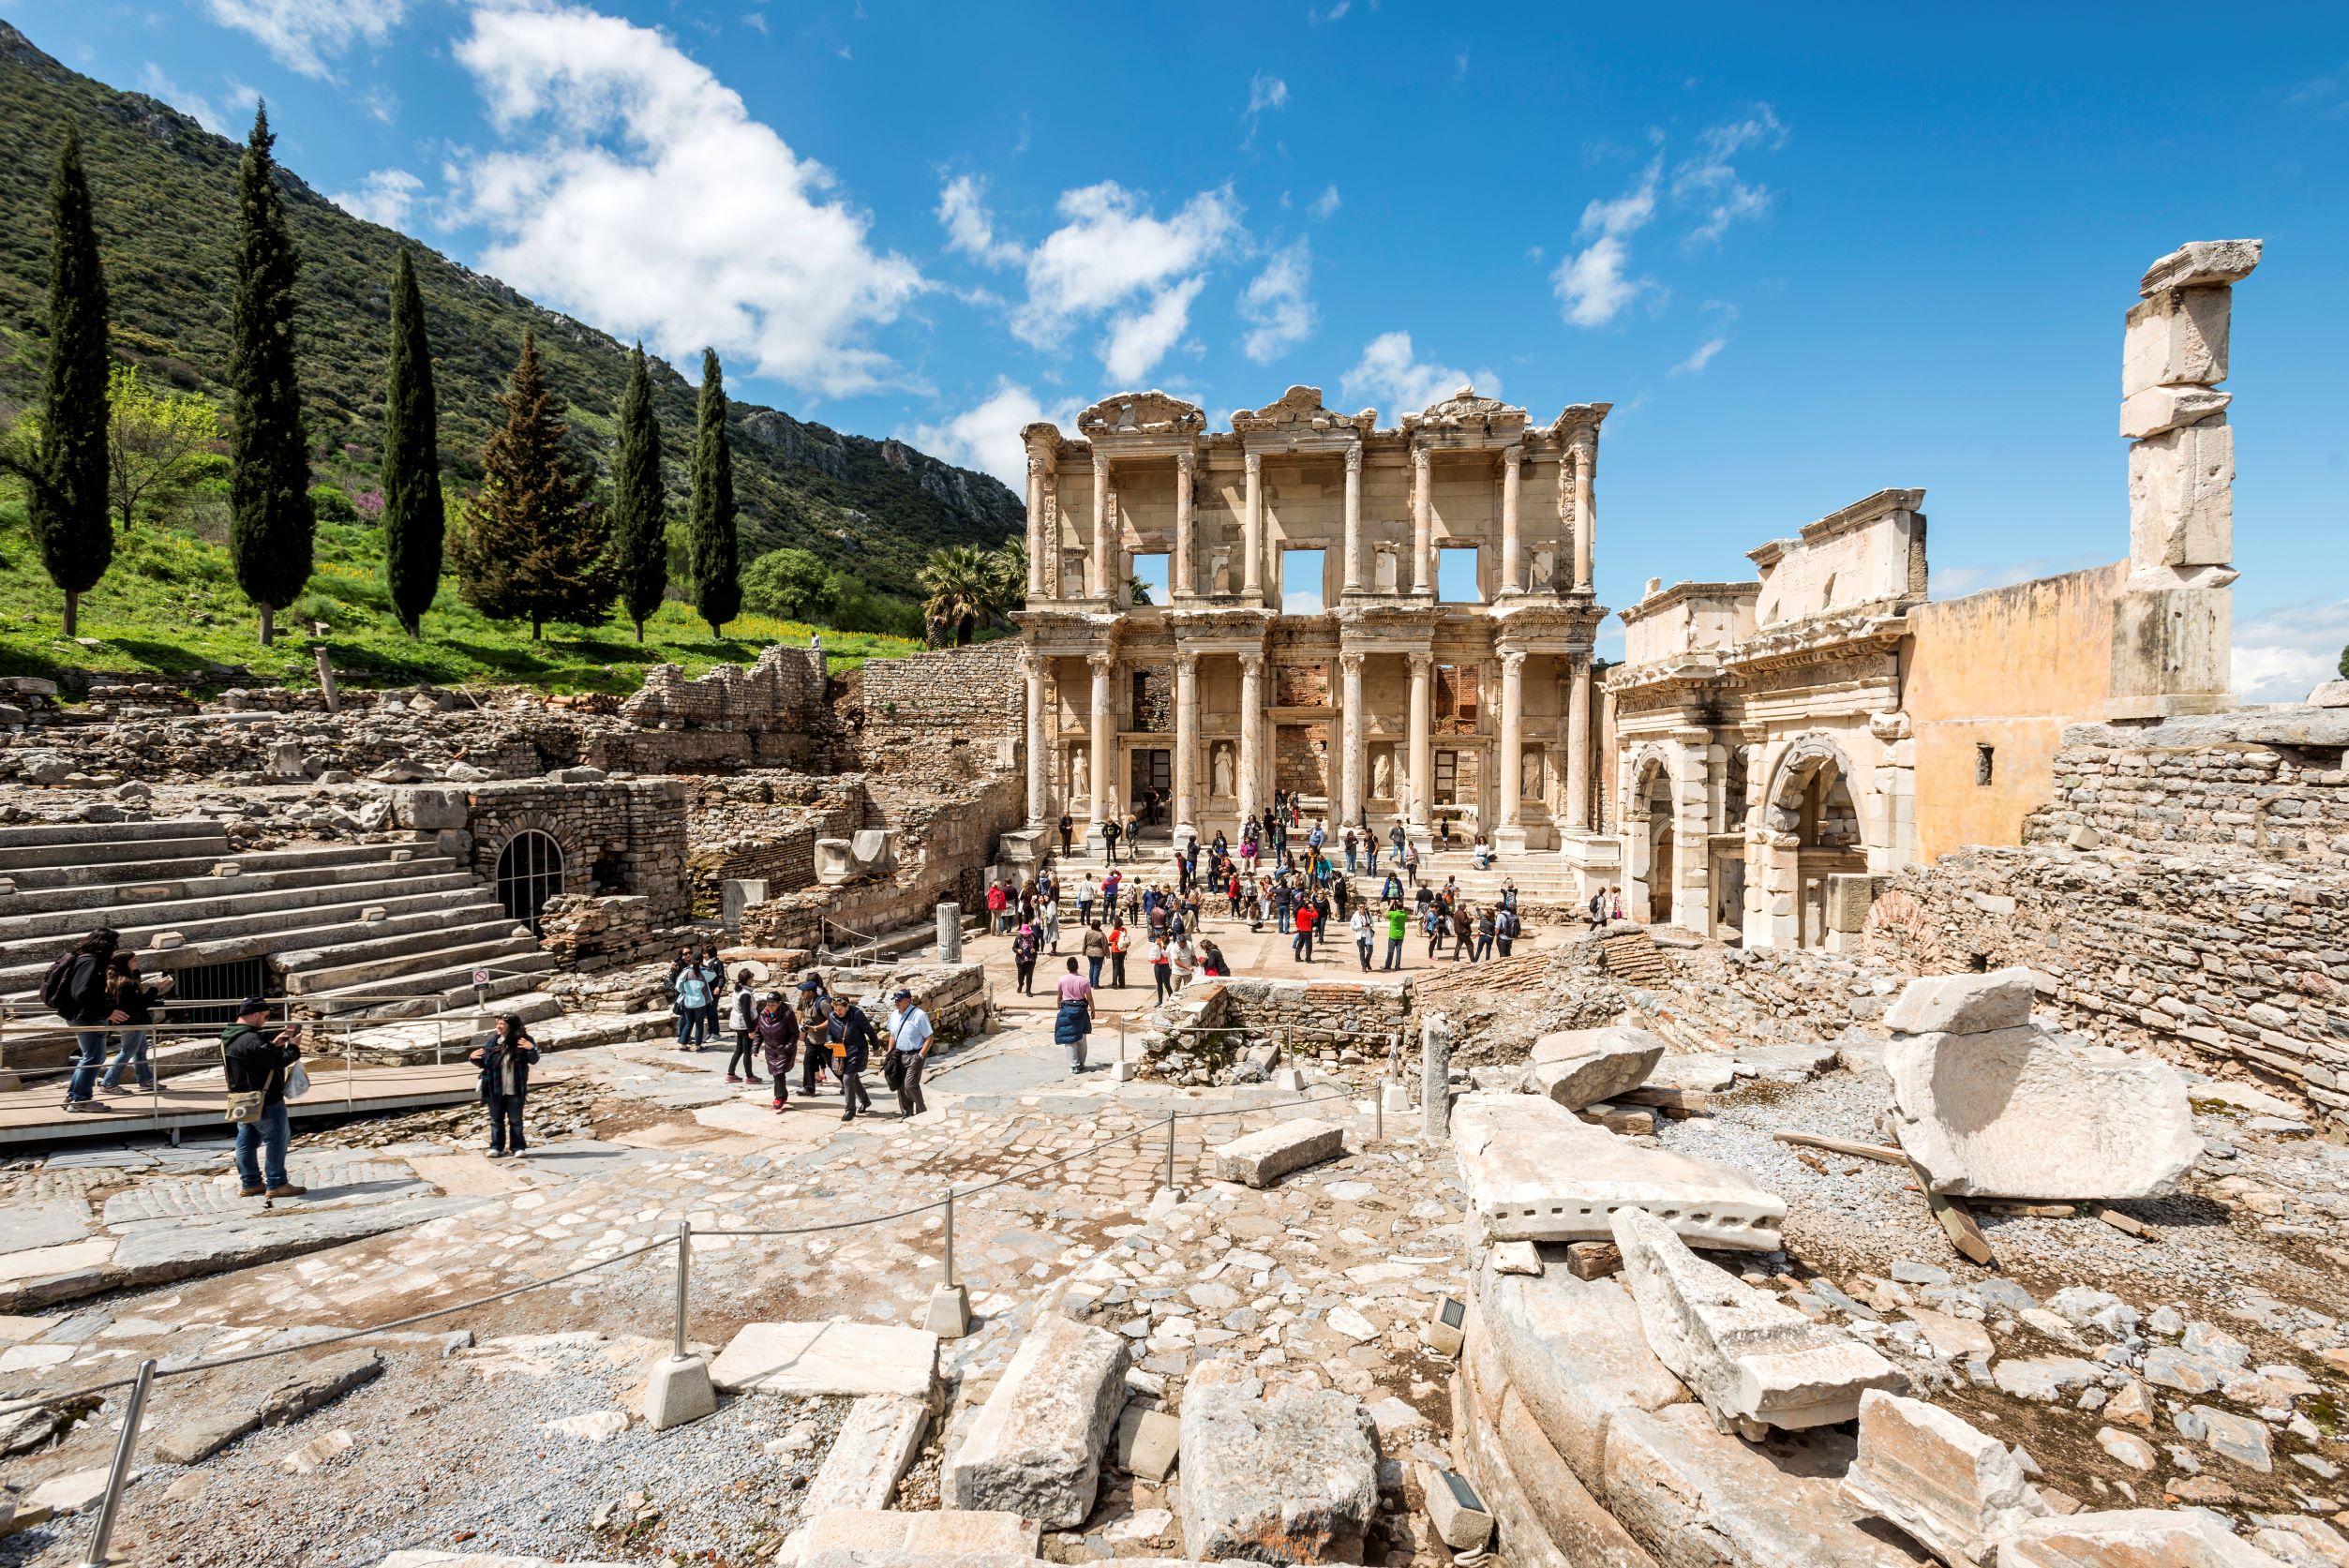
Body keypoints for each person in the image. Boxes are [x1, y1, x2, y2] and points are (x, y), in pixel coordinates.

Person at [222, 997, 305, 1197]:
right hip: (265, 1100)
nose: (266, 1020)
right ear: (255, 1015)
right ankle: (276, 1183)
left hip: (241, 1099)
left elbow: (257, 1060)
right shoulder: (253, 1039)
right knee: (277, 1139)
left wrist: (274, 1045)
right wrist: (293, 1047)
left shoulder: (229, 1037)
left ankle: (250, 1183)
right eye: (266, 1016)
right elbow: (278, 1062)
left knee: (246, 1142)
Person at [49, 926, 127, 1113]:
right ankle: (80, 1100)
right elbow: (82, 993)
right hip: (87, 1018)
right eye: (115, 944)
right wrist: (107, 1012)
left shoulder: (85, 959)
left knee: (90, 1057)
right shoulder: (90, 962)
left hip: (84, 1016)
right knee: (93, 1057)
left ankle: (75, 1097)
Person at [97, 950, 171, 1097]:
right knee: (128, 1051)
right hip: (133, 1022)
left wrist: (137, 974)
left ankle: (146, 1080)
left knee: (140, 1050)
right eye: (133, 961)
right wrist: (156, 988)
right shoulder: (127, 983)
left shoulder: (118, 980)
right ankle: (108, 1084)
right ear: (125, 963)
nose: (136, 963)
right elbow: (140, 1004)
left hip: (131, 1021)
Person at [471, 1013, 541, 1157]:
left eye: (501, 1024)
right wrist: (472, 1058)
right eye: (498, 1023)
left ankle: (518, 1148)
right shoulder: (493, 1042)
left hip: (515, 1088)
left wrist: (531, 1048)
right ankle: (497, 1147)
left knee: (516, 1120)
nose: (498, 1026)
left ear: (511, 1025)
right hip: (494, 1088)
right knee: (496, 1121)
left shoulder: (524, 1041)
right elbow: (485, 1063)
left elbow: (533, 1060)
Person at [885, 988, 934, 1118]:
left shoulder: (919, 1015)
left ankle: (922, 1111)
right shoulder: (894, 1014)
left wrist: (921, 1055)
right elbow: (892, 1035)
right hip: (899, 1054)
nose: (896, 1003)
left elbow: (929, 1037)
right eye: (895, 1000)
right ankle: (907, 1113)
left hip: (915, 1054)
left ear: (908, 1000)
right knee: (900, 1085)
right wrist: (890, 1052)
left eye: (899, 1001)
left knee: (910, 1085)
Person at [827, 994, 876, 1121]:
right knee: (854, 1079)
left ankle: (850, 1110)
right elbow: (829, 1032)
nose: (838, 1013)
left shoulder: (857, 1014)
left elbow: (869, 1030)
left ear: (847, 1006)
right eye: (836, 1010)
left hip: (857, 1050)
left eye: (841, 1010)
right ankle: (865, 1101)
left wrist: (876, 1047)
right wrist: (830, 1041)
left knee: (847, 1079)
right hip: (841, 1051)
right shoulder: (832, 1016)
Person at [755, 993, 798, 1111]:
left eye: (773, 1005)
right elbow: (758, 1032)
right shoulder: (764, 1014)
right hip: (770, 1049)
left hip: (783, 1048)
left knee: (779, 1073)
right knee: (776, 1073)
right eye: (768, 1004)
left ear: (779, 1003)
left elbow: (795, 1033)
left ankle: (779, 1098)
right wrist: (755, 1047)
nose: (770, 1007)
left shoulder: (788, 1014)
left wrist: (788, 1047)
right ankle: (783, 1094)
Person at [724, 968, 765, 1084]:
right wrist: (751, 1030)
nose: (753, 978)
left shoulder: (738, 990)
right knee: (747, 1051)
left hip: (738, 1023)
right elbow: (746, 1013)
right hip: (744, 1025)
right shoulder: (745, 994)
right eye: (751, 977)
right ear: (748, 980)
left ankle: (730, 1074)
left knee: (739, 1050)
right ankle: (749, 1076)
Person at [796, 977, 835, 1098]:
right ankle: (809, 1088)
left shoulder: (823, 1004)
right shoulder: (806, 1002)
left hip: (824, 1040)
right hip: (812, 1040)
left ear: (811, 992)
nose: (802, 993)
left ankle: (848, 1083)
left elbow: (832, 1020)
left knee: (832, 1064)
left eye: (804, 991)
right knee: (808, 1062)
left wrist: (816, 1027)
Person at [1054, 957, 1094, 1073]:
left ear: (1067, 967)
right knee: (1082, 1037)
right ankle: (1081, 1063)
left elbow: (1059, 996)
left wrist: (1058, 1005)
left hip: (1067, 1009)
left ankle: (1074, 1065)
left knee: (1069, 1038)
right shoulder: (1084, 980)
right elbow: (1089, 998)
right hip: (1081, 1010)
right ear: (1077, 967)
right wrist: (1093, 1010)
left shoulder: (1062, 979)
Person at [672, 957, 712, 1052]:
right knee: (699, 1024)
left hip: (688, 1002)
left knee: (688, 1023)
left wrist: (684, 991)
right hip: (700, 1003)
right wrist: (705, 965)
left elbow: (678, 987)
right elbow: (713, 974)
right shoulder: (704, 973)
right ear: (701, 962)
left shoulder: (685, 972)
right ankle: (698, 1046)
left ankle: (683, 1044)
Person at [1011, 919, 1040, 995]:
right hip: (1021, 960)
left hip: (1031, 960)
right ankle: (1021, 985)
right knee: (1020, 976)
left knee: (1029, 976)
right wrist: (1017, 950)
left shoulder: (1033, 937)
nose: (1025, 935)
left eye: (1027, 934)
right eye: (1024, 934)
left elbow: (1037, 946)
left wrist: (1035, 949)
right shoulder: (1018, 938)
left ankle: (1028, 991)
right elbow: (1013, 948)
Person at [1149, 932, 1174, 1003]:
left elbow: (1166, 955)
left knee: (1167, 984)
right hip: (1157, 966)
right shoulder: (1159, 942)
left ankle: (1171, 999)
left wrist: (1160, 947)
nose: (1162, 939)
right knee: (1159, 985)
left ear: (1167, 937)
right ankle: (1160, 1001)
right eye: (1161, 938)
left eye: (1163, 938)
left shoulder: (1170, 944)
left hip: (1166, 966)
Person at [1292, 896, 1318, 963]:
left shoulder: (1301, 910)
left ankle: (1297, 957)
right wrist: (1312, 907)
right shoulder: (1305, 912)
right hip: (1306, 930)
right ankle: (1308, 959)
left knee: (1300, 943)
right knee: (1309, 944)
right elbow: (1316, 915)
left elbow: (1298, 921)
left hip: (1301, 930)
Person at [1384, 901, 1408, 971]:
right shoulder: (1404, 914)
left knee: (1390, 951)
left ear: (1396, 907)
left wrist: (1391, 905)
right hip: (1401, 935)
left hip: (1393, 935)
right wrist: (1399, 903)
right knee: (1399, 951)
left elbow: (1385, 914)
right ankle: (1397, 966)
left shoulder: (1393, 914)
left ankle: (1388, 965)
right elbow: (1402, 909)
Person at [1107, 917, 1130, 989]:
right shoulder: (1124, 930)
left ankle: (1114, 984)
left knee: (1115, 968)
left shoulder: (1115, 931)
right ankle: (1122, 984)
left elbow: (1110, 939)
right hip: (1123, 951)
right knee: (1121, 967)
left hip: (1116, 951)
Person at [1350, 904, 1374, 972]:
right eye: (1360, 907)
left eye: (1363, 907)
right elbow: (1352, 927)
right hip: (1360, 936)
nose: (1362, 908)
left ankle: (1367, 962)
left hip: (1368, 936)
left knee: (1370, 951)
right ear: (1358, 908)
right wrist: (1360, 926)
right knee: (1362, 952)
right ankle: (1363, 966)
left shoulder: (1368, 914)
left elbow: (1372, 923)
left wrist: (1369, 926)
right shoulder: (1355, 916)